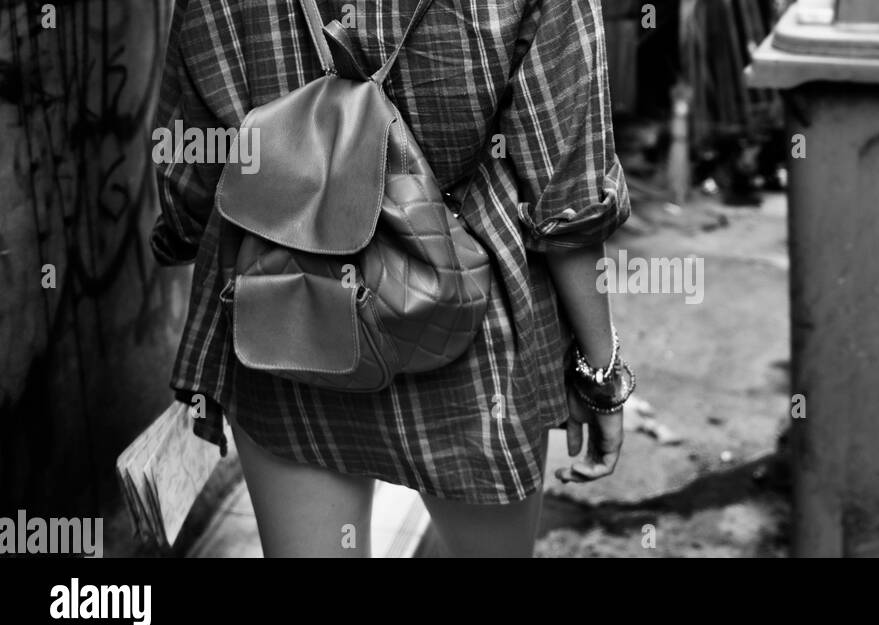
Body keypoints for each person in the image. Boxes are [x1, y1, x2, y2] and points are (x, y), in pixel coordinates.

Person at [150, 0, 632, 557]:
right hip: (473, 337)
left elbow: (193, 173)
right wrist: (600, 373)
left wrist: (193, 240)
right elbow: (566, 195)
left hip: (279, 319)